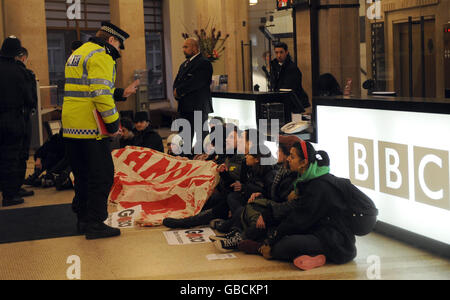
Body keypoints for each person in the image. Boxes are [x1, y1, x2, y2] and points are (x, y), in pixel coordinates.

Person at [223, 140, 357, 271]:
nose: (288, 159)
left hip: (332, 240)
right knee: (268, 222)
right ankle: (246, 237)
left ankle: (261, 248)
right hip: (314, 229)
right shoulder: (304, 180)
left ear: (303, 163)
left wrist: (273, 239)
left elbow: (298, 219)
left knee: (284, 244)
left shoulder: (317, 185)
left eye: (292, 157)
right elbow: (292, 208)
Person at [62, 22, 139, 240]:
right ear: (112, 40)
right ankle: (96, 224)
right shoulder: (102, 55)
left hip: (71, 127)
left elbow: (87, 87)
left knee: (83, 176)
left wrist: (121, 92)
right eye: (118, 47)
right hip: (91, 129)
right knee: (102, 176)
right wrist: (114, 125)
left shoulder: (79, 53)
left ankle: (84, 220)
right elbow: (100, 94)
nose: (117, 53)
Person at [0, 36, 34, 207]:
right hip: (13, 118)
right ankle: (10, 194)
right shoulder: (19, 71)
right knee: (12, 156)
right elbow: (29, 97)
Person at [173, 37, 213, 153]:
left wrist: (179, 91)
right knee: (184, 137)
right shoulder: (184, 64)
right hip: (185, 106)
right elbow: (178, 80)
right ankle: (185, 159)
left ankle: (203, 160)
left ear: (195, 48)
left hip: (198, 106)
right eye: (183, 47)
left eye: (186, 47)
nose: (183, 49)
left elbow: (197, 82)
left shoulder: (204, 63)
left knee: (202, 136)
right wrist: (175, 91)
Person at [15, 47, 38, 197]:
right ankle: (16, 187)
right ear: (23, 58)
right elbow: (31, 98)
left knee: (7, 154)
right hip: (21, 118)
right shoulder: (25, 73)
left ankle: (6, 185)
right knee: (21, 153)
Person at [269, 42, 310, 111]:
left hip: (294, 103)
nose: (279, 55)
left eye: (281, 52)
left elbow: (289, 88)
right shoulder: (274, 65)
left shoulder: (292, 67)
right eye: (276, 53)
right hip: (282, 101)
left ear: (286, 52)